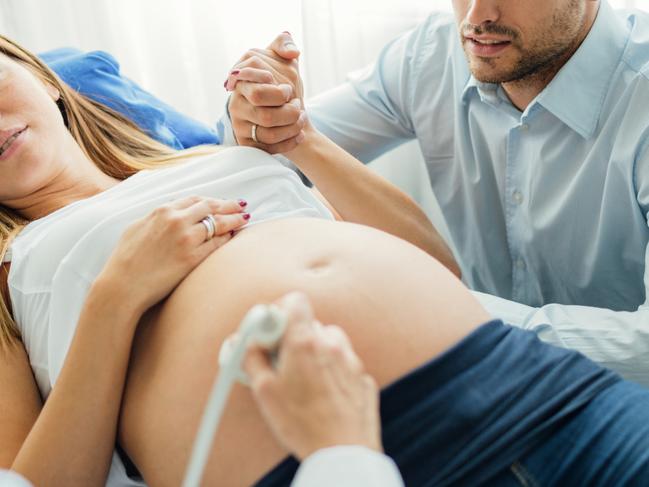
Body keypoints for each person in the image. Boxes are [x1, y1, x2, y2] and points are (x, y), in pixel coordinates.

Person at [0, 26, 647, 487]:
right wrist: (116, 295)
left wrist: (301, 139)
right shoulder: (7, 271)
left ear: (44, 79)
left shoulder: (215, 159)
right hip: (310, 462)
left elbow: (434, 267)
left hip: (523, 382)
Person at [221, 0, 649, 386]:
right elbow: (259, 151)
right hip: (475, 380)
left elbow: (643, 351)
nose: (476, 17)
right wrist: (263, 108)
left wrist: (441, 312)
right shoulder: (433, 54)